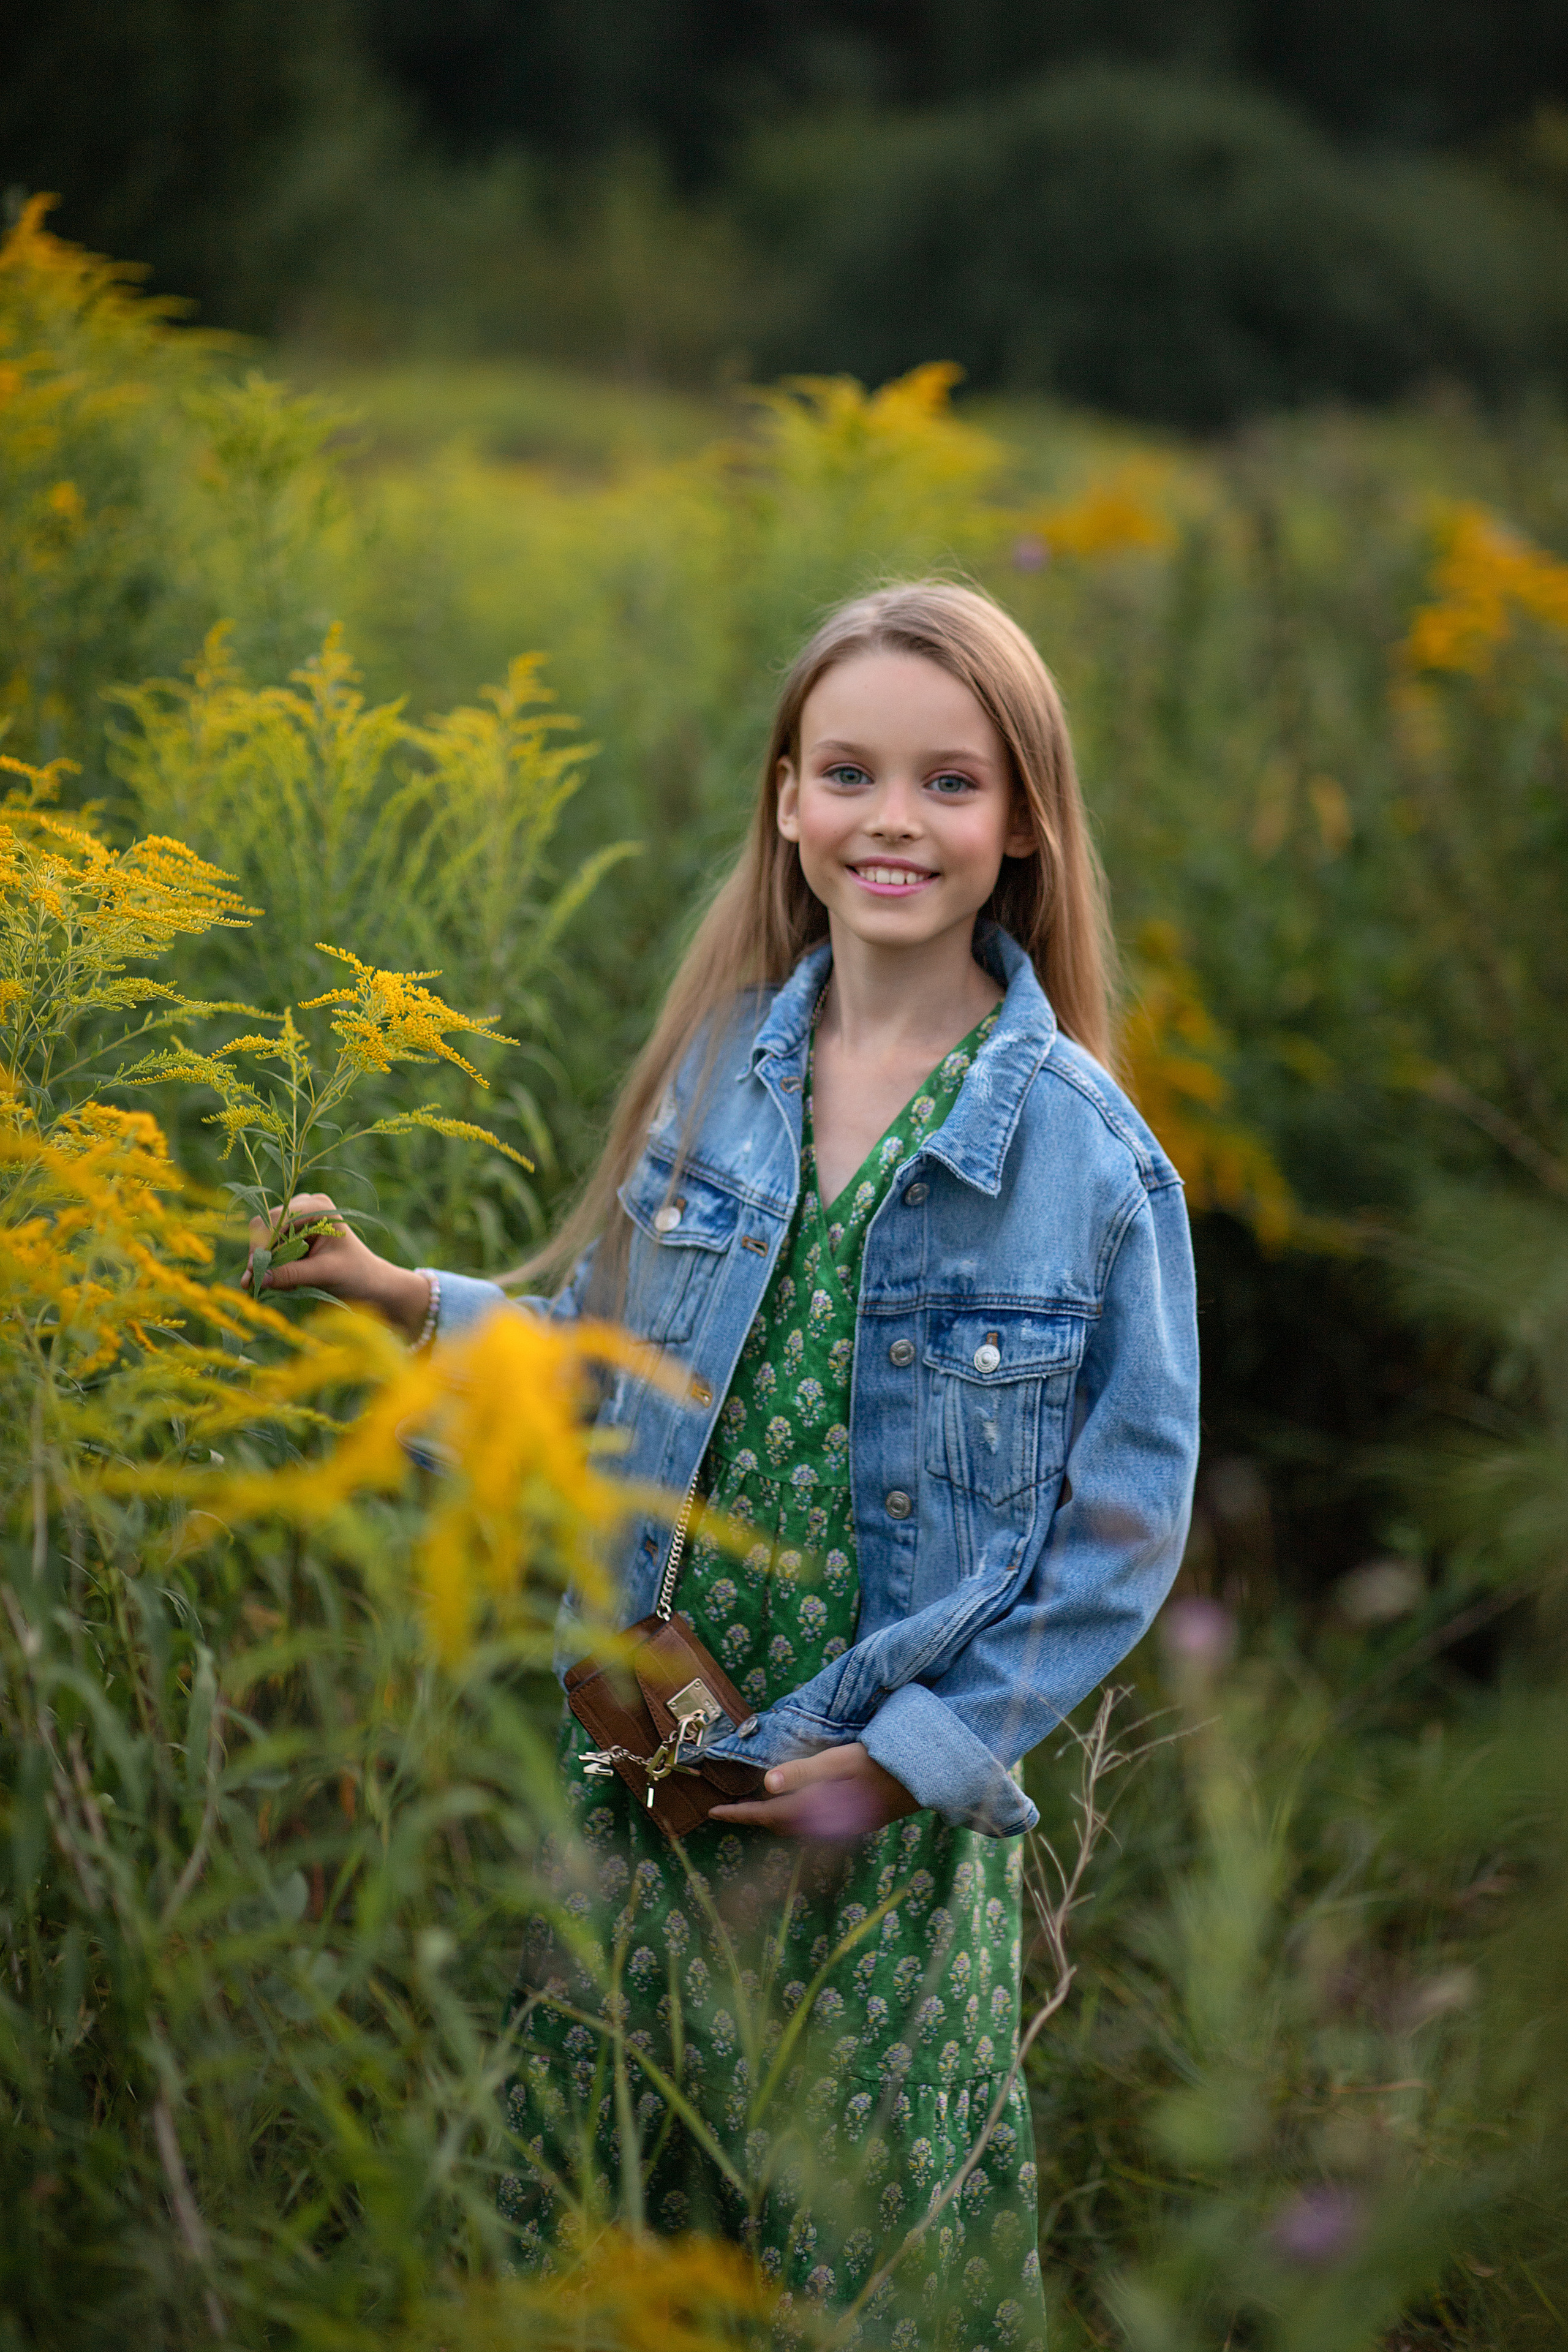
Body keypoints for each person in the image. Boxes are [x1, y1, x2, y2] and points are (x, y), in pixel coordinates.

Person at [251, 581, 1199, 2345]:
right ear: (785, 799)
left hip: (872, 1818)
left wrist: (896, 1765)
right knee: (609, 2210)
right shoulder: (717, 1084)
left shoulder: (1083, 1155)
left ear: (1023, 829)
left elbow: (1122, 1535)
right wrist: (413, 1306)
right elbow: (613, 1375)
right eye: (849, 771)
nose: (894, 822)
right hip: (643, 1760)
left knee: (859, 2264)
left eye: (950, 783)